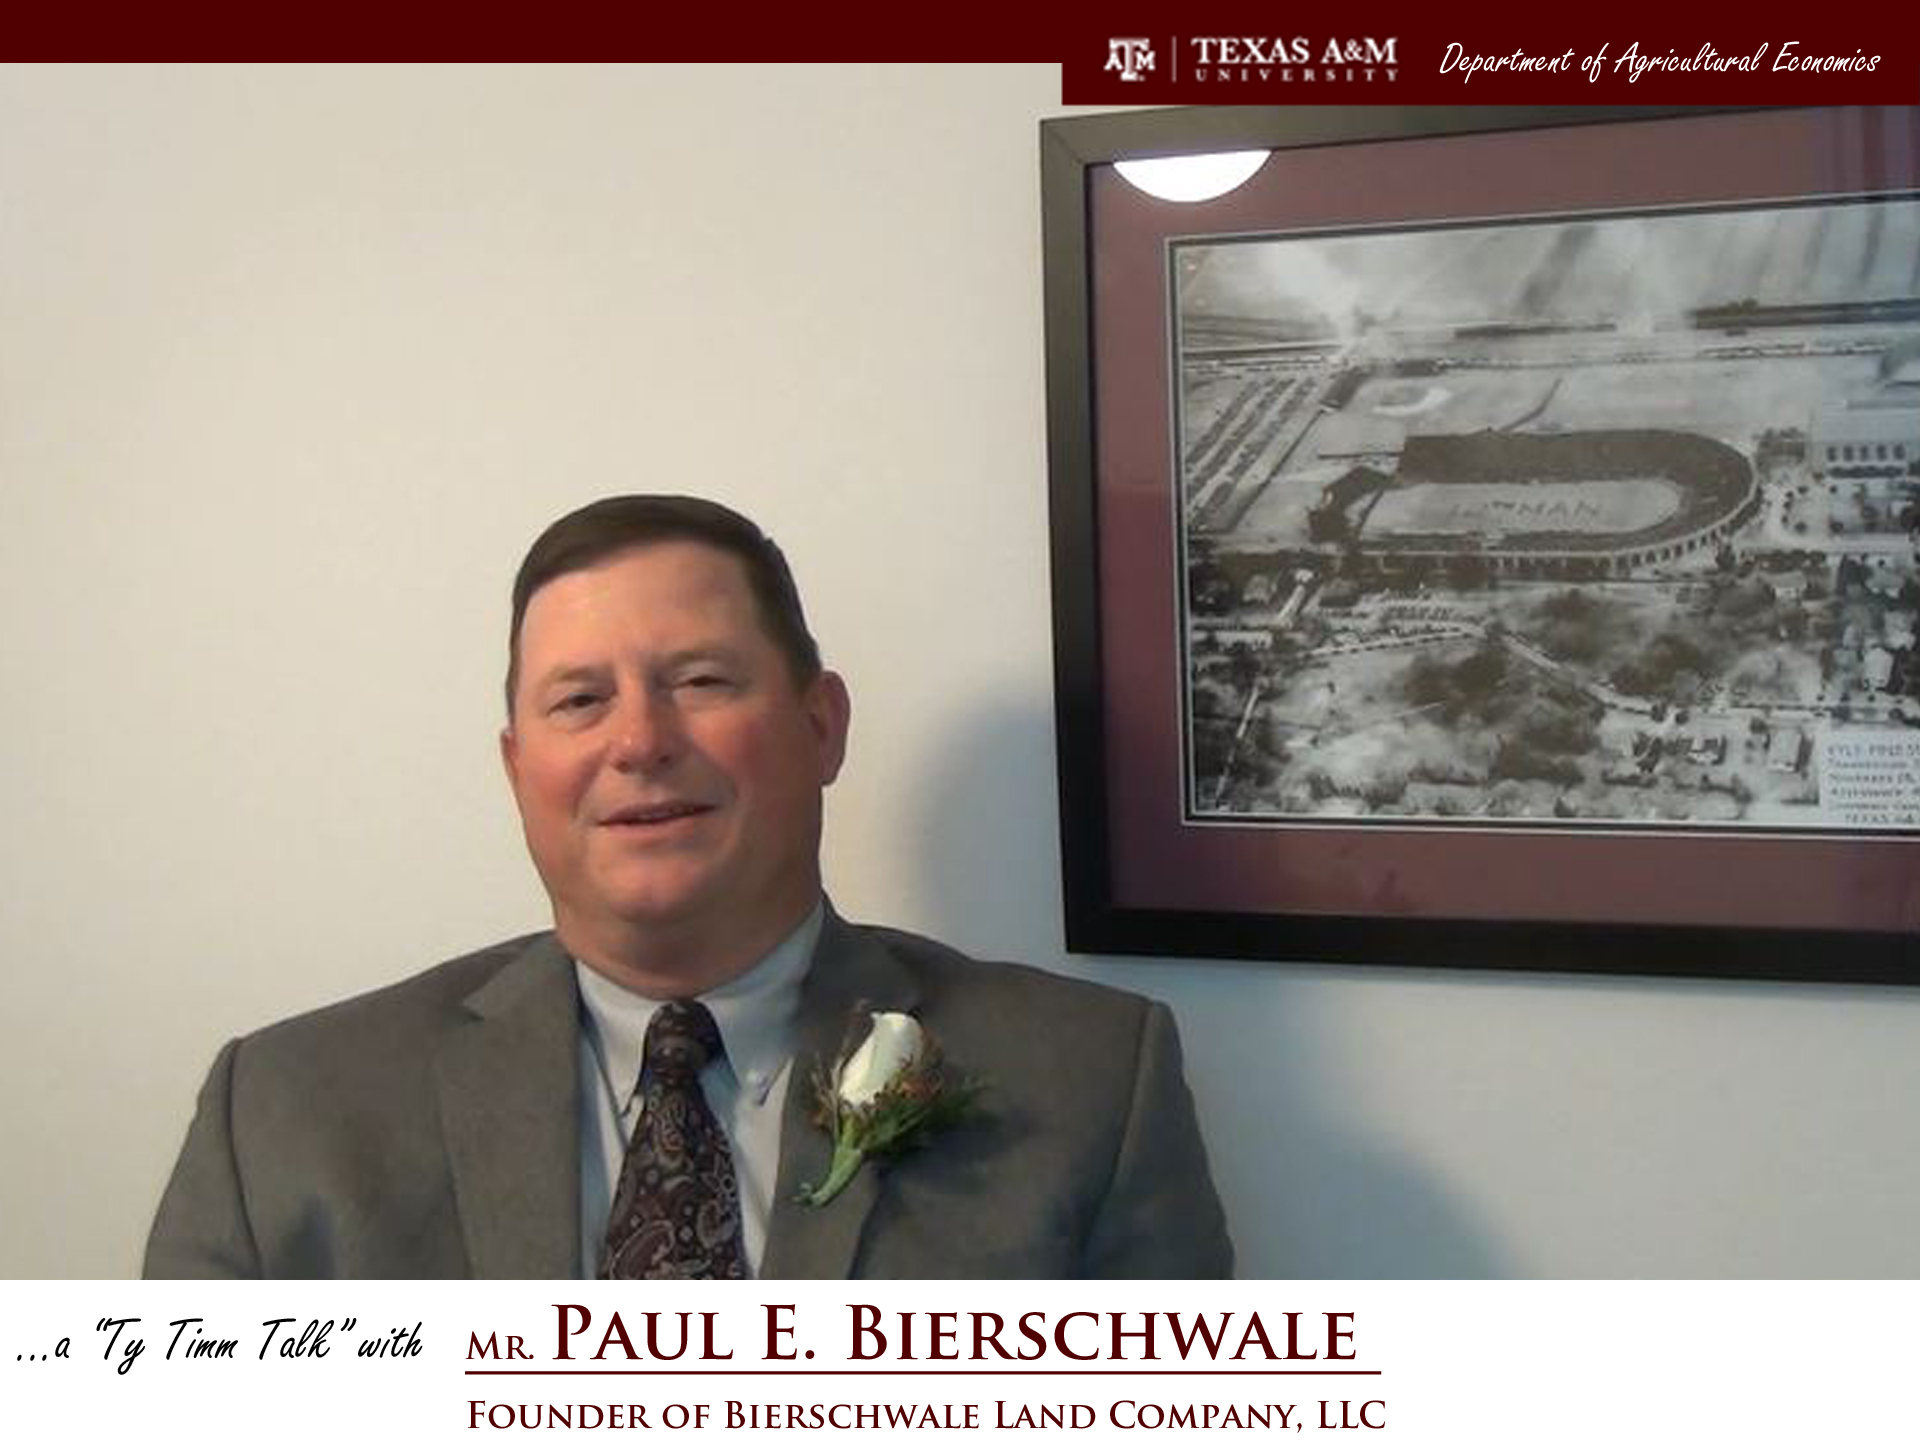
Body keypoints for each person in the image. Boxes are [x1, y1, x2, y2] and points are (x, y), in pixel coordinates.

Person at [145, 495, 1232, 1279]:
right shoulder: (285, 1114)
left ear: (820, 726)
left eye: (700, 682)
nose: (640, 742)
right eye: (578, 701)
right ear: (520, 768)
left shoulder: (1091, 1085)